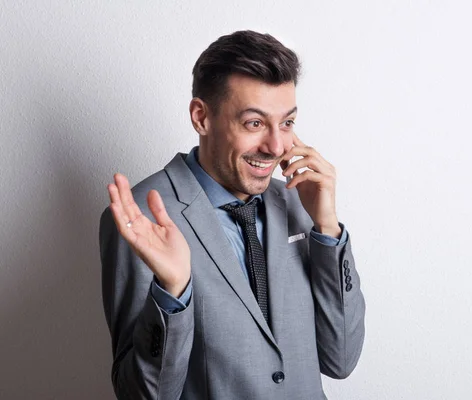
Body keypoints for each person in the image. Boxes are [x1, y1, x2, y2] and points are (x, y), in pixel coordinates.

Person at [99, 30, 366, 400]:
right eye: (254, 123)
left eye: (286, 123)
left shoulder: (295, 198)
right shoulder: (143, 217)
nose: (275, 146)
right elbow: (141, 396)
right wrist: (172, 292)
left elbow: (341, 358)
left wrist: (327, 229)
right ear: (201, 117)